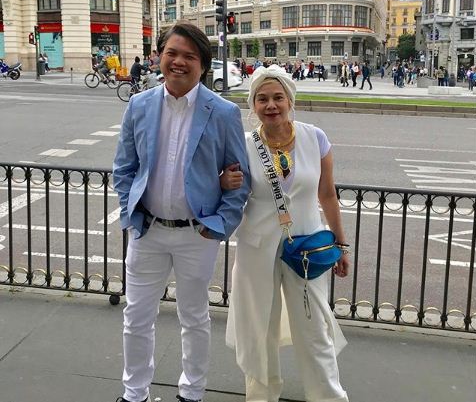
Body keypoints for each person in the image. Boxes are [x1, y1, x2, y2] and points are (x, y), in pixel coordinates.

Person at [112, 22, 251, 402]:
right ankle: (134, 393)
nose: (179, 61)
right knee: (136, 317)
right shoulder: (140, 105)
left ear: (202, 64)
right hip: (148, 231)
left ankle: (192, 393)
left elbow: (241, 179)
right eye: (172, 53)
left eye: (189, 56)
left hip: (197, 234)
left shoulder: (222, 112)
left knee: (194, 318)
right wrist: (129, 211)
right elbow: (124, 168)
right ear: (159, 57)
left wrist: (218, 225)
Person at [222, 65, 350, 402]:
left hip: (307, 248)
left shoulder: (315, 138)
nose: (271, 105)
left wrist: (341, 244)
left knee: (314, 327)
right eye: (262, 98)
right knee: (258, 327)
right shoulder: (244, 145)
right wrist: (223, 182)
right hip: (256, 248)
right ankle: (261, 396)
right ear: (253, 105)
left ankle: (328, 397)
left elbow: (327, 194)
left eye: (278, 97)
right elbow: (230, 195)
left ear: (290, 100)